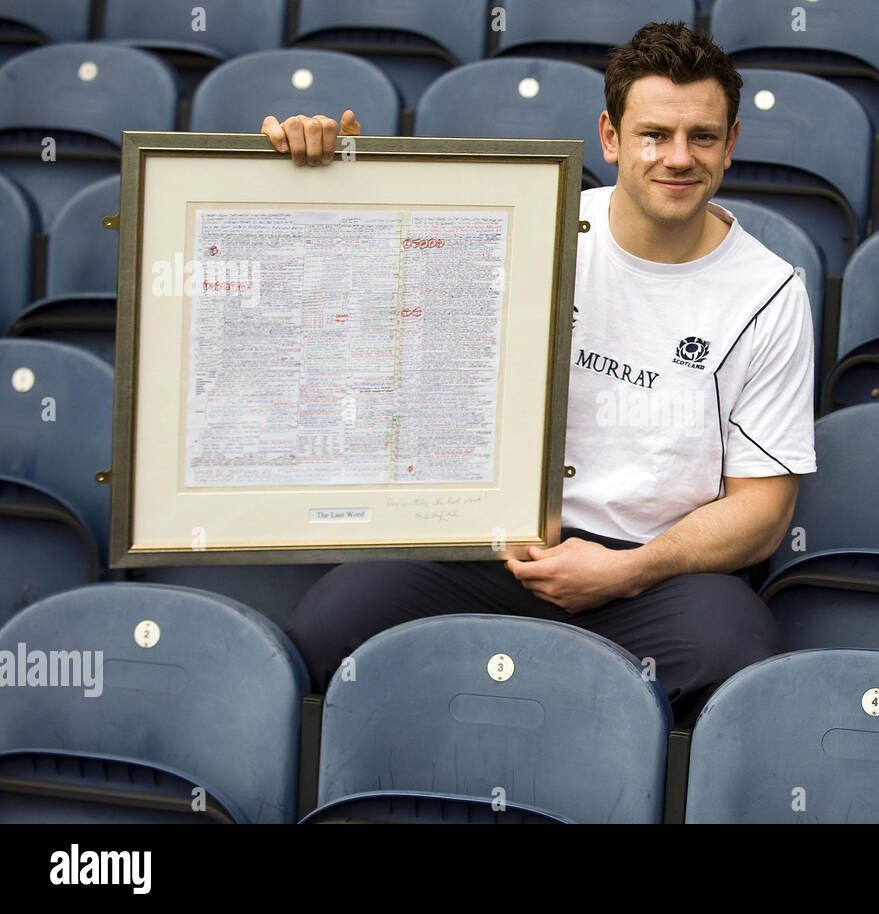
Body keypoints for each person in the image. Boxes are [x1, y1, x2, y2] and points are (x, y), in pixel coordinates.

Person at [263, 21, 816, 726]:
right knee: (323, 632)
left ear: (731, 143)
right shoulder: (534, 224)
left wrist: (628, 569)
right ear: (611, 137)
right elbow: (375, 307)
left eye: (701, 137)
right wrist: (318, 173)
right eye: (653, 134)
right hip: (494, 545)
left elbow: (764, 513)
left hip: (655, 574)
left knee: (737, 663)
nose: (678, 157)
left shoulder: (769, 292)